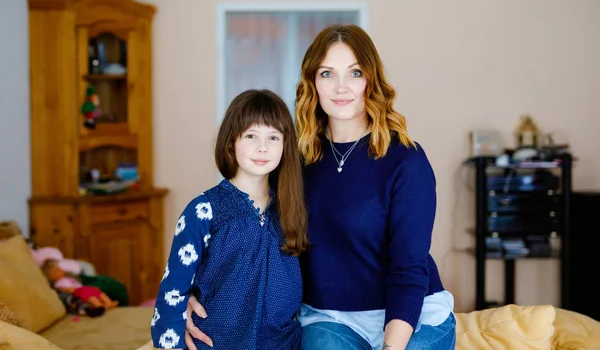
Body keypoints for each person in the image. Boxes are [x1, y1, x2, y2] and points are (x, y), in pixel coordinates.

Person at [185, 24, 456, 350]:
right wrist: (193, 291)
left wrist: (392, 346)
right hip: (330, 318)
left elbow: (409, 268)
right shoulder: (291, 158)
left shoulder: (405, 160)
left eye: (354, 73)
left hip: (412, 314)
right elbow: (240, 222)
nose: (341, 87)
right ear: (312, 82)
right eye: (327, 73)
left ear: (371, 80)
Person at [150, 89, 309, 350]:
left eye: (273, 137)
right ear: (231, 142)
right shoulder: (204, 210)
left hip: (284, 344)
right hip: (215, 343)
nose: (263, 147)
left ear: (285, 145)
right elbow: (174, 288)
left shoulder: (292, 209)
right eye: (251, 136)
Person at [42, 258, 118, 310]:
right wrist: (71, 290)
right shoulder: (58, 283)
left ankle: (109, 303)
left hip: (83, 289)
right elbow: (63, 290)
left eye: (59, 269)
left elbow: (78, 282)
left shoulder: (68, 277)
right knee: (92, 299)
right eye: (56, 271)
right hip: (78, 292)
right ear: (51, 277)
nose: (61, 270)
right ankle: (100, 307)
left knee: (100, 293)